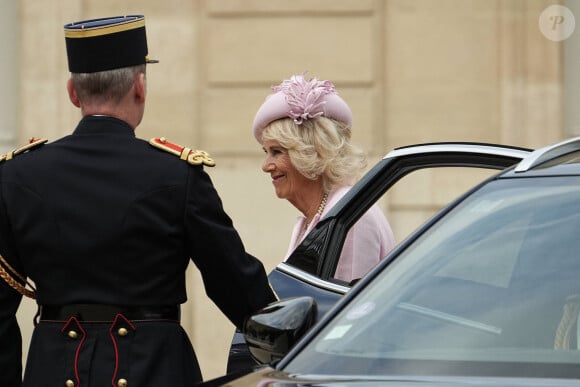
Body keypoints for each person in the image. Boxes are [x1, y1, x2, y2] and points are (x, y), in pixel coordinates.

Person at [0, 15, 276, 387]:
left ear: (73, 92)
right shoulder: (178, 176)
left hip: (53, 370)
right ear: (140, 87)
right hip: (155, 369)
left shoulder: (16, 177)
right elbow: (238, 288)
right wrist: (294, 348)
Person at [252, 73, 396, 282]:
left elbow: (348, 307)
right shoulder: (320, 216)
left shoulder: (350, 215)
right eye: (266, 153)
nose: (266, 166)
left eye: (276, 152)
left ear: (312, 152)